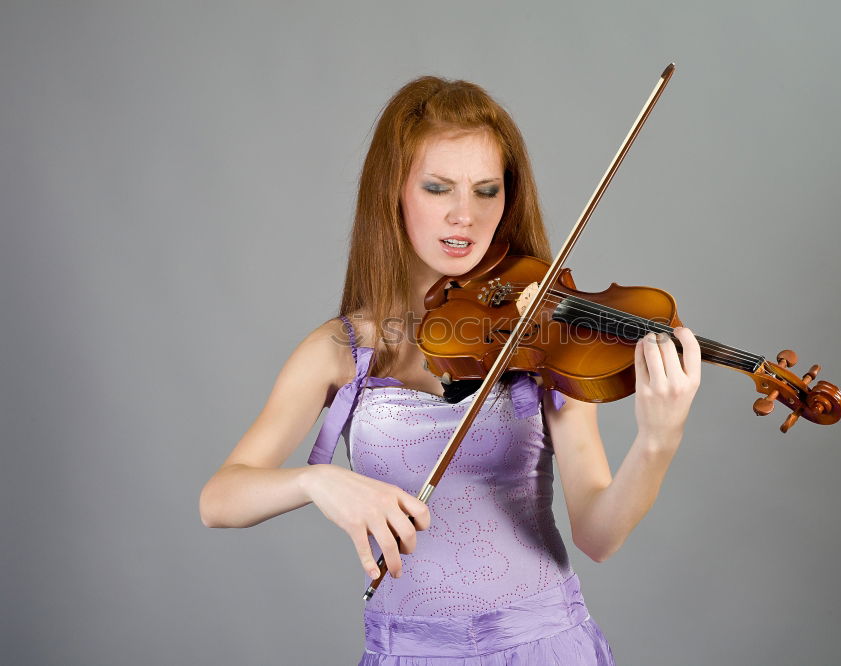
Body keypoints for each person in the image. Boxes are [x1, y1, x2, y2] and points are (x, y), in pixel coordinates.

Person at [199, 75, 701, 665]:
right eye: (438, 188)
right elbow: (219, 500)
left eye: (487, 191)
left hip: (545, 646)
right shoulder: (339, 350)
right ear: (394, 193)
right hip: (411, 653)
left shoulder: (540, 337)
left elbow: (598, 534)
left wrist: (658, 440)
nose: (465, 216)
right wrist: (317, 481)